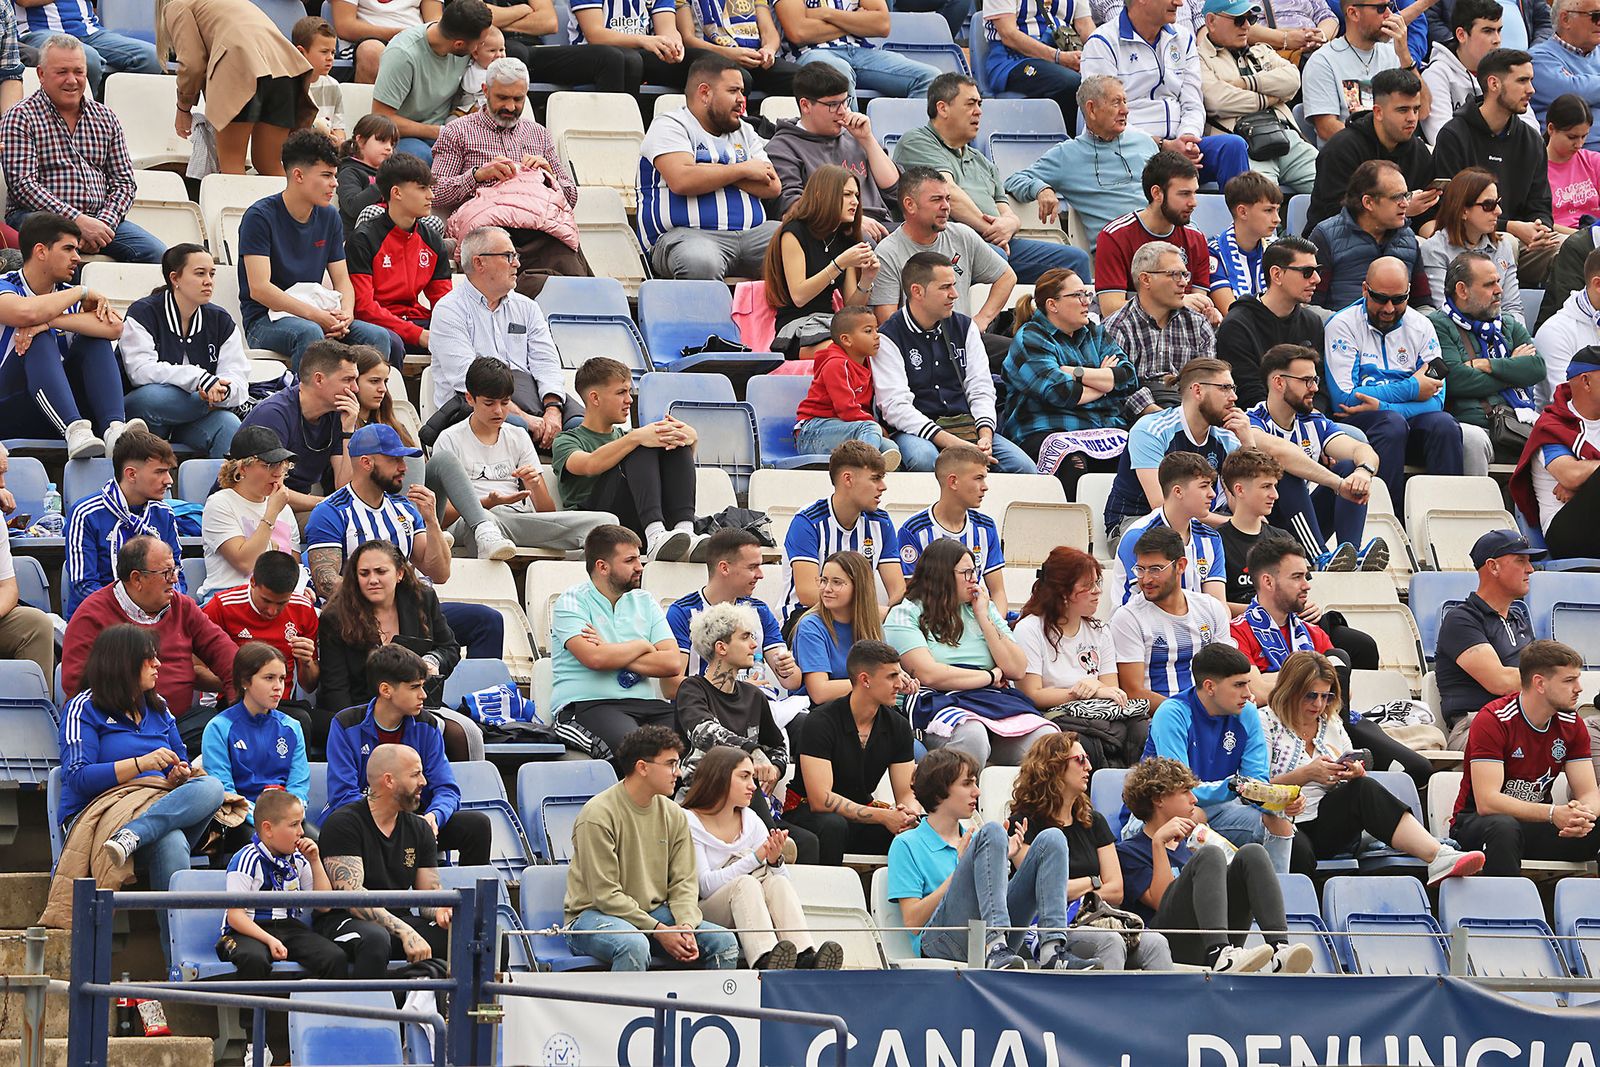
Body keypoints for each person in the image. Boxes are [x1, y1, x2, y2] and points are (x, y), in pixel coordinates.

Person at [56, 624, 227, 951]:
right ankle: (176, 963)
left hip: (154, 807)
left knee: (212, 787)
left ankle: (135, 833)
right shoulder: (84, 707)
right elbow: (78, 776)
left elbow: (179, 761)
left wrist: (178, 775)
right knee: (172, 841)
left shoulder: (158, 707)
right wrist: (141, 764)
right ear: (123, 663)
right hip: (101, 814)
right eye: (149, 660)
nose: (158, 665)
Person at [1264, 649, 1484, 878]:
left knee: (1364, 788)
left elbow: (1349, 759)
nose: (1319, 704)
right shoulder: (1265, 722)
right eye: (1311, 695)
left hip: (1325, 818)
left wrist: (1353, 772)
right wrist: (1305, 774)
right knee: (1298, 851)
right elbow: (1251, 786)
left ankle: (1438, 855)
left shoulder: (1331, 722)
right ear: (1290, 689)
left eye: (1326, 696)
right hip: (1279, 818)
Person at [304, 422, 505, 666]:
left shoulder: (404, 508)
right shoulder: (331, 511)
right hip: (356, 616)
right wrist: (384, 602)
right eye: (394, 460)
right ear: (366, 463)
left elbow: (439, 573)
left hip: (410, 611)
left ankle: (477, 701)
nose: (403, 467)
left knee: (487, 621)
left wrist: (432, 520)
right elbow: (325, 581)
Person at [886, 747, 1095, 969]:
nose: (977, 792)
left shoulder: (978, 838)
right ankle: (994, 945)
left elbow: (993, 903)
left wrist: (1002, 857)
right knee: (993, 831)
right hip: (940, 943)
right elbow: (913, 922)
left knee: (1053, 838)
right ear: (939, 792)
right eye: (967, 784)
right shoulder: (906, 843)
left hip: (990, 934)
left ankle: (1052, 951)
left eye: (975, 783)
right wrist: (959, 871)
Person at [563, 725, 739, 970]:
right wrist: (658, 930)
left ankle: (712, 1009)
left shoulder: (674, 815)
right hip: (592, 916)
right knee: (633, 945)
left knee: (724, 941)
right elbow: (605, 895)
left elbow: (684, 884)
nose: (677, 773)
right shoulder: (598, 814)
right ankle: (630, 1010)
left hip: (654, 914)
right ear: (642, 767)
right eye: (670, 764)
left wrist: (686, 925)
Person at [891, 74, 1091, 285]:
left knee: (1075, 260)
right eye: (970, 104)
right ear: (942, 108)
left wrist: (1009, 226)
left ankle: (1078, 317)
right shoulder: (917, 141)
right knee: (996, 257)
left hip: (997, 243)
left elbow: (1007, 212)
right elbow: (948, 195)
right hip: (946, 243)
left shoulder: (981, 161)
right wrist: (991, 230)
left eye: (979, 104)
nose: (978, 111)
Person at [1115, 756, 1311, 971]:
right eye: (1185, 792)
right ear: (1158, 799)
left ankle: (1280, 949)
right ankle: (1220, 953)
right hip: (1168, 945)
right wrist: (1159, 844)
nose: (1194, 799)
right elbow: (1161, 902)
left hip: (1210, 935)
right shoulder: (1128, 851)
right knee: (1210, 854)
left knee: (1252, 853)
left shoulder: (1189, 845)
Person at [1005, 732, 1175, 970]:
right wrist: (1095, 881)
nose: (1089, 766)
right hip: (1047, 926)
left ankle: (1164, 1008)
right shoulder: (1023, 824)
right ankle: (1103, 1007)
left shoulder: (1093, 822)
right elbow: (1048, 892)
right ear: (1053, 767)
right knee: (1111, 942)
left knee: (1156, 942)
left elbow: (1116, 890)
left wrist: (1079, 888)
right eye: (1080, 760)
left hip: (1095, 919)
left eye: (1087, 758)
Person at [886, 538, 1054, 766]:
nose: (974, 578)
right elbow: (930, 675)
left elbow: (1016, 668)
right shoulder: (906, 613)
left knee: (1046, 742)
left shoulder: (983, 607)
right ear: (941, 574)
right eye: (966, 572)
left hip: (991, 699)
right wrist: (990, 676)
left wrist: (984, 617)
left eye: (974, 571)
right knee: (972, 735)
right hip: (938, 700)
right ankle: (963, 800)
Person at [238, 131, 396, 371]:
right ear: (298, 175)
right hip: (265, 320)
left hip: (316, 313)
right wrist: (315, 316)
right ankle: (306, 406)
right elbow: (260, 289)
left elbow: (342, 279)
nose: (335, 183)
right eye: (326, 175)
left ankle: (361, 408)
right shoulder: (259, 217)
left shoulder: (329, 215)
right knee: (310, 333)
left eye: (334, 175)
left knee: (378, 337)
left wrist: (346, 314)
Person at [62, 537, 237, 750]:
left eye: (176, 570)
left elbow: (228, 658)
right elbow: (78, 689)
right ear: (137, 579)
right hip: (120, 730)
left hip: (180, 724)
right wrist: (139, 724)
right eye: (166, 573)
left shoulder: (183, 606)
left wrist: (241, 709)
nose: (175, 579)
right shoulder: (91, 616)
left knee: (228, 733)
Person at [324, 643, 491, 864]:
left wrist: (433, 817)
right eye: (414, 687)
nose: (423, 695)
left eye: (423, 686)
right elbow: (343, 795)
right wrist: (396, 822)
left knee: (476, 825)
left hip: (417, 822)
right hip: (365, 824)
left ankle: (472, 898)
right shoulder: (345, 725)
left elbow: (447, 789)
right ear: (386, 690)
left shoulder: (428, 726)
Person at [0, 37, 161, 264]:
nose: (72, 80)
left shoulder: (105, 117)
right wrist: (77, 221)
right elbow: (23, 187)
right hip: (38, 218)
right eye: (62, 72)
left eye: (78, 72)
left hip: (100, 220)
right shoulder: (20, 116)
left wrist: (103, 224)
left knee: (159, 256)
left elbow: (124, 183)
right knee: (61, 259)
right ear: (41, 74)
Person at [1138, 641, 1295, 871]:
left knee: (1279, 822)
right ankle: (1197, 899)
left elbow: (1255, 783)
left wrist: (1280, 802)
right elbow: (1178, 792)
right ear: (1210, 687)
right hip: (1158, 813)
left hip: (1221, 808)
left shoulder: (1247, 713)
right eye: (1239, 685)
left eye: (1248, 684)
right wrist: (1232, 787)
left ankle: (1277, 902)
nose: (1248, 694)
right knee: (1194, 815)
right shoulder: (1172, 714)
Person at [875, 252, 1037, 474]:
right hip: (916, 432)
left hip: (968, 427)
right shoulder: (889, 336)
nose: (955, 294)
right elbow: (895, 407)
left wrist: (985, 437)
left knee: (1024, 468)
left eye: (954, 285)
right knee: (925, 460)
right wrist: (953, 443)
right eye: (945, 288)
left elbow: (981, 387)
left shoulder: (964, 327)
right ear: (917, 291)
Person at [433, 358, 614, 555]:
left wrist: (534, 485)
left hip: (518, 519)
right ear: (470, 399)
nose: (498, 411)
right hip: (474, 520)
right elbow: (441, 517)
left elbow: (547, 513)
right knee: (486, 521)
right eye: (489, 403)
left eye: (505, 403)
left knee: (606, 524)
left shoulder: (518, 435)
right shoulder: (449, 439)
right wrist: (486, 503)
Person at [1450, 639, 1600, 876]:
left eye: (1578, 679)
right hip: (1479, 824)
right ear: (1539, 683)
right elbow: (1487, 802)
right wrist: (1553, 814)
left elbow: (1589, 792)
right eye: (1569, 680)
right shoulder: (1494, 719)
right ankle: (1505, 912)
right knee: (1503, 827)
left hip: (1537, 826)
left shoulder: (1572, 723)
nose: (1579, 688)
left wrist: (1581, 815)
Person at [683, 746, 842, 968]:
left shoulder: (751, 819)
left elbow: (784, 883)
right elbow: (705, 886)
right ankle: (764, 958)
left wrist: (775, 861)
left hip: (749, 904)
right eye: (744, 777)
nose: (753, 786)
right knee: (745, 883)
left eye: (752, 777)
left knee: (776, 881)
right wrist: (756, 858)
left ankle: (805, 954)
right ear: (720, 777)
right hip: (705, 911)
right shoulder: (689, 822)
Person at [1324, 255, 1464, 500]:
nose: (1389, 308)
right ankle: (1385, 518)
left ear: (1409, 293)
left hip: (1399, 420)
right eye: (1380, 298)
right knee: (1391, 425)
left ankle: (1445, 517)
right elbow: (1344, 400)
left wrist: (1384, 404)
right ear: (1365, 290)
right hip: (1367, 426)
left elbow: (1436, 399)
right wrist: (1412, 387)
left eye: (1398, 300)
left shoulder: (1422, 326)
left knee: (1445, 425)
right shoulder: (1342, 324)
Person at [0, 212, 134, 460]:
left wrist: (51, 321)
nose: (77, 258)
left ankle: (115, 429)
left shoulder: (67, 293)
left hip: (57, 407)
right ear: (41, 251)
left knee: (93, 338)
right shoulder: (6, 284)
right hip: (9, 407)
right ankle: (74, 429)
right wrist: (83, 291)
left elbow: (114, 327)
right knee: (36, 338)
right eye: (69, 249)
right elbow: (25, 312)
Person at [1080, 0, 1251, 191]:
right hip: (1128, 151)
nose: (1178, 3)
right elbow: (1105, 120)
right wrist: (1163, 146)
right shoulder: (1101, 43)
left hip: (1177, 148)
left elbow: (1193, 104)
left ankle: (1242, 221)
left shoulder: (1183, 37)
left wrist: (1187, 139)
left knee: (1233, 147)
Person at [1001, 267, 1144, 497]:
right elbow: (1060, 392)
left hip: (1105, 426)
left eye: (1087, 294)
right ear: (1052, 304)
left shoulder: (1094, 332)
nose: (1086, 302)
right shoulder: (1031, 337)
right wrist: (1105, 383)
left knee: (1143, 455)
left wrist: (1076, 373)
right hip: (1046, 428)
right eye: (1078, 295)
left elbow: (1128, 378)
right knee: (1073, 463)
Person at [637, 54, 780, 280]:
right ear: (705, 93)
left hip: (752, 236)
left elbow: (772, 186)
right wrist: (742, 170)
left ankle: (796, 317)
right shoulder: (670, 125)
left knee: (797, 244)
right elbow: (683, 180)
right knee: (700, 261)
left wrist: (707, 170)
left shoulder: (745, 130)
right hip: (686, 237)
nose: (742, 99)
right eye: (733, 91)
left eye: (742, 91)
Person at [550, 525, 685, 760]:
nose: (639, 567)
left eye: (639, 559)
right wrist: (643, 646)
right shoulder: (571, 601)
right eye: (630, 560)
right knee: (639, 752)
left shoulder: (645, 601)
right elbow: (594, 658)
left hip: (646, 706)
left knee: (700, 740)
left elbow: (672, 663)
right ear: (602, 567)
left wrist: (611, 652)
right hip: (586, 706)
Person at [317, 743, 454, 973]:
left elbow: (429, 896)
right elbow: (353, 898)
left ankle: (469, 1008)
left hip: (398, 921)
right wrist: (405, 932)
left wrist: (443, 910)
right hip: (345, 922)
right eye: (415, 774)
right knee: (376, 940)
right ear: (389, 781)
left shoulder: (420, 828)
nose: (424, 782)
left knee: (471, 933)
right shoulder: (343, 824)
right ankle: (368, 1008)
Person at [1246, 346, 1385, 568]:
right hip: (1263, 527)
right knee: (1285, 473)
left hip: (1300, 522)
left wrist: (1363, 472)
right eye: (1306, 381)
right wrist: (1339, 485)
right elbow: (1282, 453)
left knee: (1349, 467)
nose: (1314, 388)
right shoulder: (1251, 422)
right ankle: (1319, 556)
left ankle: (1350, 556)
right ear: (1279, 382)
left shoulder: (1313, 421)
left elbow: (1363, 450)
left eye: (1315, 380)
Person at [553, 356, 703, 562]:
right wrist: (636, 438)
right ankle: (655, 534)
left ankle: (686, 531)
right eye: (621, 392)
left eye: (629, 391)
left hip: (636, 518)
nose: (629, 400)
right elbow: (589, 465)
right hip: (600, 527)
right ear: (595, 398)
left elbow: (672, 473)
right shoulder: (566, 439)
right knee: (643, 443)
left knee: (668, 441)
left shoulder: (630, 438)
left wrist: (689, 438)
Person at [1433, 49, 1561, 285]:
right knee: (1505, 244)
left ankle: (1554, 320)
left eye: (1530, 80)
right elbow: (1452, 209)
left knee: (1565, 248)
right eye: (1522, 81)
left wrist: (1540, 227)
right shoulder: (1454, 135)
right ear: (1493, 84)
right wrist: (1510, 227)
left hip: (1523, 241)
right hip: (1468, 242)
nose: (1531, 89)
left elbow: (1540, 203)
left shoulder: (1531, 140)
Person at [787, 639, 919, 864]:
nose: (900, 684)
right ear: (865, 680)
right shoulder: (820, 721)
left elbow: (906, 792)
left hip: (862, 814)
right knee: (832, 826)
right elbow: (820, 800)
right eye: (891, 676)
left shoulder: (898, 726)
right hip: (808, 813)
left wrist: (908, 814)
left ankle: (903, 898)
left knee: (914, 833)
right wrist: (884, 816)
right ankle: (829, 897)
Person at [315, 540, 463, 739]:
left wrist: (431, 661)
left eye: (381, 571)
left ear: (399, 573)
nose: (372, 580)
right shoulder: (335, 616)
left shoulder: (422, 599)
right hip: (360, 709)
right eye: (364, 573)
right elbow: (335, 687)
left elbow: (449, 648)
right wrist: (355, 728)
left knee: (464, 734)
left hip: (416, 705)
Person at [427, 225, 566, 436]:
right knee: (514, 427)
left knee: (580, 426)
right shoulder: (449, 310)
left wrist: (553, 409)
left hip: (528, 397)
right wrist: (527, 419)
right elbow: (469, 381)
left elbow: (547, 361)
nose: (517, 263)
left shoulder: (528, 307)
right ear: (479, 262)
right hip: (476, 406)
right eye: (508, 256)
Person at [1002, 76, 1160, 256]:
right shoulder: (1067, 155)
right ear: (1091, 109)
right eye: (1116, 103)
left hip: (1164, 240)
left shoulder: (1145, 142)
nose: (1125, 110)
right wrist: (1041, 188)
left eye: (1125, 101)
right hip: (1121, 251)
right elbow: (1014, 180)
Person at [217, 788, 344, 1003]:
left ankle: (323, 1023)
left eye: (301, 824)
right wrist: (269, 939)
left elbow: (324, 905)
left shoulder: (299, 858)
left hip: (288, 927)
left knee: (335, 957)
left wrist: (315, 861)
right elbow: (235, 917)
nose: (301, 832)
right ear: (268, 829)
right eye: (294, 825)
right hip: (247, 930)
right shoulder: (247, 859)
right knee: (253, 959)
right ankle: (253, 1032)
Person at [120, 243, 246, 459]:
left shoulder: (221, 320)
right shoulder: (144, 312)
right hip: (144, 413)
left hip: (191, 419)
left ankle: (218, 492)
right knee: (153, 397)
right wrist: (201, 380)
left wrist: (222, 391)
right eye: (200, 273)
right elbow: (139, 371)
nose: (208, 281)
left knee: (229, 424)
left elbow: (237, 377)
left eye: (211, 274)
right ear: (175, 278)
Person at [868, 167, 1017, 347]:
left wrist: (981, 321)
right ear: (910, 205)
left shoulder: (962, 235)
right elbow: (887, 321)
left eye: (947, 199)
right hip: (916, 345)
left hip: (963, 339)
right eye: (936, 199)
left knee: (1019, 353)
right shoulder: (888, 252)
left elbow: (1007, 276)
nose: (946, 206)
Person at [164, 0, 314, 177]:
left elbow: (192, 64)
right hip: (284, 69)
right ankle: (294, 205)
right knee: (269, 164)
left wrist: (183, 107)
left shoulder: (177, 5)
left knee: (231, 165)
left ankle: (239, 205)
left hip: (240, 66)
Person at [1429, 249, 1544, 475]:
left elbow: (1537, 368)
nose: (1499, 291)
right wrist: (1512, 368)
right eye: (1489, 284)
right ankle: (1474, 509)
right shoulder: (1437, 325)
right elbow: (1456, 380)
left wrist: (1490, 365)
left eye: (1499, 282)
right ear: (1462, 290)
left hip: (1521, 423)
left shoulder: (1508, 324)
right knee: (1471, 439)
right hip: (1478, 426)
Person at [429, 57, 579, 221]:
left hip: (538, 223)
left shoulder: (539, 134)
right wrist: (477, 175)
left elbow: (571, 198)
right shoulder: (457, 131)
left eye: (518, 99)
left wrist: (551, 177)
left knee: (566, 242)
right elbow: (434, 193)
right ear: (485, 91)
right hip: (485, 227)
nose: (510, 107)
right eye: (502, 97)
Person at [1196, 0, 1318, 198]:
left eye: (1250, 19)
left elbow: (1293, 80)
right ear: (1211, 21)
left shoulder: (1261, 50)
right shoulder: (1198, 58)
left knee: (1340, 191)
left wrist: (1246, 83)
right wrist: (1272, 98)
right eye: (1238, 20)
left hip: (1287, 137)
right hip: (1246, 144)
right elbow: (1218, 101)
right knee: (1260, 209)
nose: (1246, 26)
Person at [663, 527, 803, 701]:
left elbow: (792, 682)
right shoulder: (683, 613)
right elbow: (670, 687)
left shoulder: (760, 611)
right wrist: (737, 688)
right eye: (753, 567)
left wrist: (787, 667)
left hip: (760, 707)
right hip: (707, 710)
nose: (760, 575)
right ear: (724, 568)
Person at [673, 604, 792, 804]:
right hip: (703, 798)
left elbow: (777, 746)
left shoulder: (753, 695)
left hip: (745, 795)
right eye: (745, 637)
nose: (754, 645)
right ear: (721, 647)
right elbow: (704, 732)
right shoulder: (692, 689)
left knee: (809, 836)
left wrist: (775, 769)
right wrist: (753, 752)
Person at [1014, 547, 1150, 720]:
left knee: (1141, 730)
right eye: (1088, 586)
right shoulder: (1029, 629)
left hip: (1097, 715)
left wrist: (1095, 686)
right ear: (1063, 592)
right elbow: (1032, 694)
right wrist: (1083, 692)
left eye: (1097, 583)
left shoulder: (1100, 631)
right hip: (1052, 716)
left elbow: (1111, 689)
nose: (1097, 591)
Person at [765, 63, 899, 238]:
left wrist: (868, 140)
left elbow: (894, 191)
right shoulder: (782, 147)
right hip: (833, 231)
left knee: (941, 235)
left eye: (845, 102)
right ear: (805, 106)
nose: (843, 111)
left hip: (882, 226)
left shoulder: (856, 135)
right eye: (833, 105)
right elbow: (791, 205)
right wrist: (852, 219)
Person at [781, 440, 905, 627]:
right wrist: (868, 612)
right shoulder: (808, 521)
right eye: (875, 478)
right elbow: (807, 593)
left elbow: (897, 589)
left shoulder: (881, 523)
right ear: (848, 479)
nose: (883, 486)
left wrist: (895, 618)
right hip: (809, 617)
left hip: (859, 619)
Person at [1303, 67, 1439, 235]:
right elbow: (1334, 217)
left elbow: (1426, 219)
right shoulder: (1341, 149)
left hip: (1400, 242)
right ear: (1378, 112)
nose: (1412, 118)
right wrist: (1401, 209)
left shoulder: (1419, 152)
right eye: (1403, 110)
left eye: (1416, 109)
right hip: (1338, 245)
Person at [202, 643, 313, 848]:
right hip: (241, 819)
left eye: (281, 678)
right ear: (245, 681)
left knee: (320, 843)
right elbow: (224, 791)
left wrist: (289, 818)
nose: (278, 686)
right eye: (269, 678)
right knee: (265, 845)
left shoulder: (292, 727)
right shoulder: (219, 728)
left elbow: (299, 784)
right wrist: (266, 819)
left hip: (287, 817)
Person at [762, 164, 879, 357]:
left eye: (857, 195)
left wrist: (866, 279)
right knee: (842, 351)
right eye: (847, 195)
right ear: (822, 195)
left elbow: (850, 308)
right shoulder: (794, 232)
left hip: (831, 324)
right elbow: (799, 296)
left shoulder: (845, 240)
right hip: (797, 327)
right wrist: (839, 264)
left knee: (876, 348)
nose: (855, 202)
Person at [1436, 528, 1538, 747]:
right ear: (1493, 566)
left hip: (1524, 721)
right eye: (1520, 561)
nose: (1530, 569)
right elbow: (1500, 682)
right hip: (1477, 725)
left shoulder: (1519, 618)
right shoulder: (1461, 620)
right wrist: (1552, 681)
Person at [1111, 526, 1235, 707]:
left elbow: (1228, 670)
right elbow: (1133, 692)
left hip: (1211, 711)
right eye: (1140, 569)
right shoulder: (1128, 617)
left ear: (1181, 566)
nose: (1146, 579)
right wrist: (1188, 712)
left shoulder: (1210, 607)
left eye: (1155, 569)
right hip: (1160, 718)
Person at [64, 429, 180, 619]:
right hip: (99, 621)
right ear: (131, 474)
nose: (169, 481)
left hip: (156, 617)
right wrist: (133, 612)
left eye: (168, 471)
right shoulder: (86, 513)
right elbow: (83, 585)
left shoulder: (164, 514)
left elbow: (177, 575)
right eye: (160, 472)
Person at [1095, 152, 1222, 322]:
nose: (1193, 202)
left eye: (1194, 193)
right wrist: (1177, 302)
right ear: (1157, 193)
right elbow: (1111, 308)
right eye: (1184, 194)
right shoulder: (1115, 236)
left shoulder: (1196, 238)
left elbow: (1198, 304)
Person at [347, 153, 451, 357]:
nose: (431, 196)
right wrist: (418, 334)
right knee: (391, 341)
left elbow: (443, 301)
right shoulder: (363, 239)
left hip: (414, 320)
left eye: (430, 188)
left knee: (464, 334)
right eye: (423, 188)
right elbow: (364, 308)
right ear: (396, 193)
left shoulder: (433, 240)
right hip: (374, 324)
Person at [237, 342, 358, 513]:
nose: (355, 388)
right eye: (347, 380)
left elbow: (345, 486)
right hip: (252, 509)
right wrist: (327, 504)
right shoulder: (273, 414)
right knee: (340, 526)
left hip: (292, 508)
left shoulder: (339, 415)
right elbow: (268, 489)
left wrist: (348, 431)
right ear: (319, 379)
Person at [371, 0, 494, 164]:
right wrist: (439, 131)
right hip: (403, 135)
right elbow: (381, 118)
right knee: (427, 159)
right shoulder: (403, 55)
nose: (481, 47)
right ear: (459, 44)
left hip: (447, 127)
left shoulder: (461, 43)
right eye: (480, 43)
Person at [1104, 242, 1219, 410]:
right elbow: (1118, 389)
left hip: (1190, 409)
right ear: (1146, 279)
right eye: (1174, 274)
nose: (1183, 283)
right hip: (1141, 418)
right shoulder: (1117, 327)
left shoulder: (1198, 324)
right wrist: (1163, 418)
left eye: (1185, 275)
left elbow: (1208, 381)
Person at [1216, 238, 1328, 409]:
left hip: (1308, 419)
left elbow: (1321, 388)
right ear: (1276, 274)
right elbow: (1248, 393)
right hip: (1260, 425)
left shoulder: (1312, 323)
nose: (1317, 279)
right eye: (1307, 271)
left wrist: (1314, 420)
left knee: (1355, 433)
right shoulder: (1237, 325)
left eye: (1317, 270)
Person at [896, 444, 1007, 611]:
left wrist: (994, 628)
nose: (985, 486)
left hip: (979, 622)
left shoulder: (986, 527)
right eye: (978, 478)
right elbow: (912, 597)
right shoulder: (914, 530)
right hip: (933, 625)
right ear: (953, 482)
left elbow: (998, 593)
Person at [1512, 353, 1600, 559]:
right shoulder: (1553, 424)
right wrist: (1587, 483)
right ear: (1586, 381)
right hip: (1567, 532)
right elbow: (1571, 476)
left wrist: (1584, 484)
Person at [1112, 451, 1228, 608]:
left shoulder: (1211, 537)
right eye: (1204, 486)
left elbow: (1218, 604)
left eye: (1211, 486)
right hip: (1141, 628)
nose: (1212, 494)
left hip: (1196, 627)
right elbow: (1150, 604)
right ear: (1178, 491)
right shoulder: (1138, 536)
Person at [1311, 160, 1431, 310]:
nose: (1405, 204)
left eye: (1406, 195)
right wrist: (1343, 325)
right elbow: (1310, 305)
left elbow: (1423, 303)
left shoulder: (1408, 237)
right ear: (1368, 202)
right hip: (1344, 330)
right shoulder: (1325, 236)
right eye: (1396, 197)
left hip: (1399, 330)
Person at [202, 551, 321, 697]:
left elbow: (309, 686)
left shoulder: (303, 609)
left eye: (282, 603)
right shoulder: (222, 607)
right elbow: (195, 670)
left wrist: (307, 662)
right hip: (232, 702)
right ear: (252, 582)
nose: (272, 611)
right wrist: (246, 684)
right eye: (266, 600)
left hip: (281, 706)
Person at [792, 305, 900, 466]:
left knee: (891, 448)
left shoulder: (869, 361)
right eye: (868, 331)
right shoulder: (835, 364)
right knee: (871, 430)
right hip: (812, 433)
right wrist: (875, 425)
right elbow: (847, 410)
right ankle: (862, 471)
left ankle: (865, 469)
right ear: (846, 340)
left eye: (877, 330)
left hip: (847, 428)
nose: (877, 336)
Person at [1420, 169, 1528, 328]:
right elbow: (1443, 311)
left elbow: (1513, 308)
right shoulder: (1435, 250)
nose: (1499, 211)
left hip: (1501, 336)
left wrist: (1511, 339)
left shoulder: (1503, 246)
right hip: (1460, 340)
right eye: (1489, 205)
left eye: (1498, 202)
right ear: (1463, 210)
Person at [1300, 0, 1421, 142]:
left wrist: (1405, 56)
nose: (1389, 14)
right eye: (1381, 8)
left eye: (1390, 6)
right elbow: (1326, 128)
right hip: (1350, 156)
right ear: (1353, 13)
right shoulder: (1323, 61)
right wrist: (1379, 144)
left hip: (1396, 151)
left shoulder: (1394, 54)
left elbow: (1423, 111)